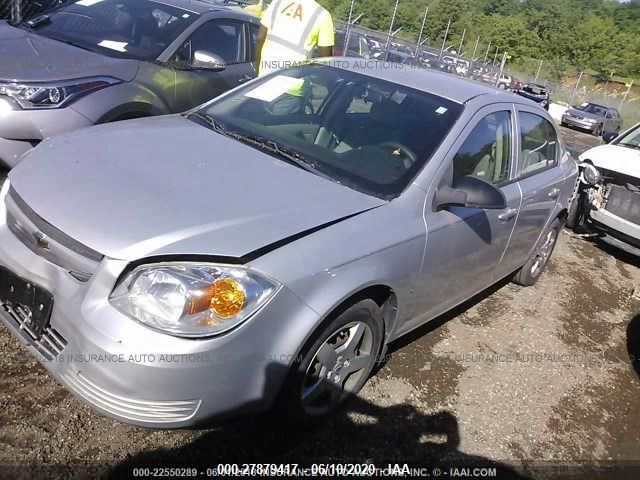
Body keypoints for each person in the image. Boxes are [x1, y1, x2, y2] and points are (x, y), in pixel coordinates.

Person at [255, 0, 334, 76]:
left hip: (264, 78)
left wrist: (258, 72)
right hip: (294, 83)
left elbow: (260, 38)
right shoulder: (323, 15)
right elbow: (325, 61)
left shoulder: (277, 2)